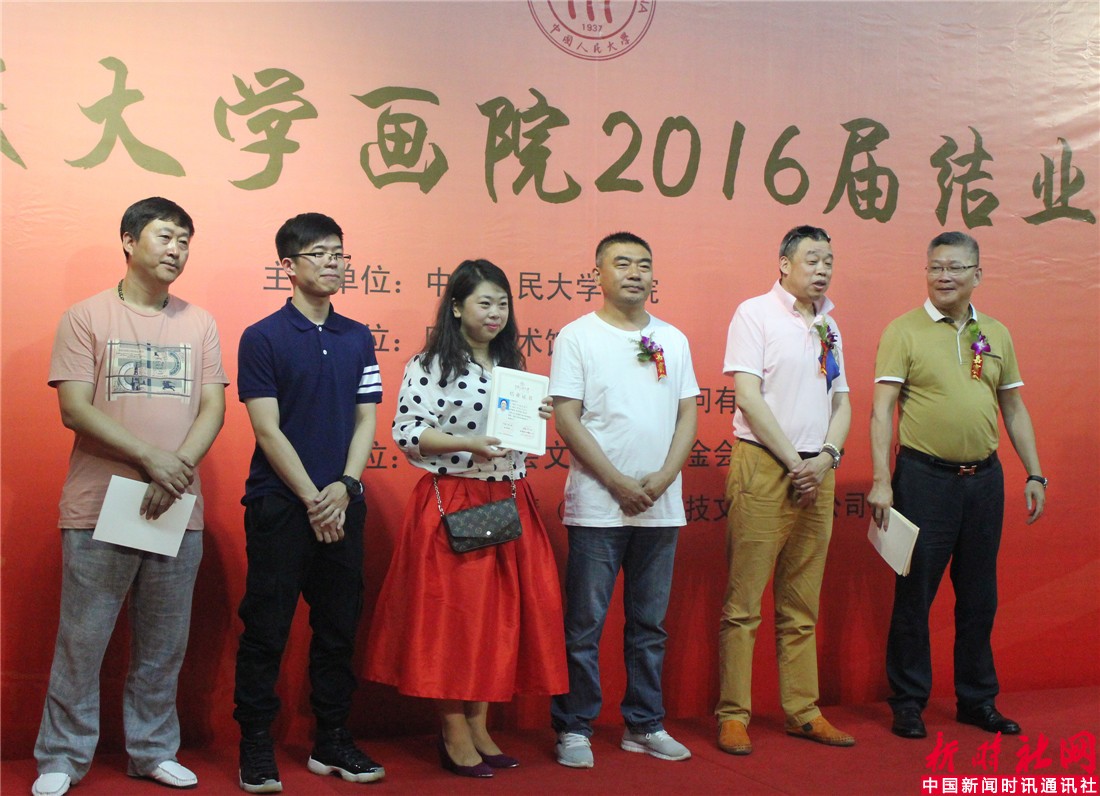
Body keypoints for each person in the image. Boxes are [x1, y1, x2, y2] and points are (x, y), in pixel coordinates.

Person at [33, 197, 228, 796]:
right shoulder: (86, 316)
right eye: (165, 237)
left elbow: (214, 406)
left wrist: (178, 468)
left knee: (163, 646)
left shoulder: (199, 322)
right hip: (100, 504)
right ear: (128, 240)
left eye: (185, 241)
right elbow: (74, 408)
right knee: (82, 641)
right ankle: (62, 757)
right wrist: (151, 459)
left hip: (177, 507)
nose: (177, 250)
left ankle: (152, 751)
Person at [366, 259, 567, 779]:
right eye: (484, 302)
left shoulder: (512, 367)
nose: (495, 313)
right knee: (454, 620)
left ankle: (480, 727)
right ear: (456, 307)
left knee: (495, 619)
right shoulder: (431, 364)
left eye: (503, 303)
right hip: (455, 499)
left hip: (508, 498)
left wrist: (536, 418)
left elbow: (519, 441)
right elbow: (409, 432)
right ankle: (453, 729)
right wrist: (470, 444)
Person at [869, 231, 1046, 740]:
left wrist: (1034, 472)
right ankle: (908, 701)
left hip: (984, 481)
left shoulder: (996, 333)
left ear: (977, 274)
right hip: (923, 480)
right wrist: (881, 480)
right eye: (935, 267)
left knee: (979, 596)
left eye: (955, 268)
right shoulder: (903, 331)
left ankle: (977, 699)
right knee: (915, 595)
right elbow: (882, 410)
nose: (943, 276)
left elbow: (1013, 408)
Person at [233, 213, 384, 792]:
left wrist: (344, 486)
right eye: (319, 253)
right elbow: (266, 429)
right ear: (289, 266)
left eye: (338, 253)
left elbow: (366, 419)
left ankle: (332, 739)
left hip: (343, 501)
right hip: (279, 504)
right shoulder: (263, 336)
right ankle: (255, 744)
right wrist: (311, 498)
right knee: (266, 628)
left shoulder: (357, 336)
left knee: (339, 627)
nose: (333, 263)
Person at [549, 232, 698, 768]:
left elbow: (688, 414)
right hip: (597, 504)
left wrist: (664, 477)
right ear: (598, 274)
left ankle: (644, 724)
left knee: (649, 626)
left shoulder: (672, 339)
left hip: (660, 504)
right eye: (623, 263)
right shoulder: (577, 336)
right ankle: (574, 728)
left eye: (644, 265)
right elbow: (566, 416)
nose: (635, 273)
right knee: (584, 626)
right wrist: (615, 481)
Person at [715, 225, 855, 756]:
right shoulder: (755, 313)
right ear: (784, 264)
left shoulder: (829, 325)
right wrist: (796, 462)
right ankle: (733, 715)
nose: (822, 269)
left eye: (829, 260)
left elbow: (841, 401)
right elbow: (748, 397)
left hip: (818, 471)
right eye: (812, 259)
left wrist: (826, 458)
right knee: (744, 603)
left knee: (801, 602)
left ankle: (803, 711)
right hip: (766, 465)